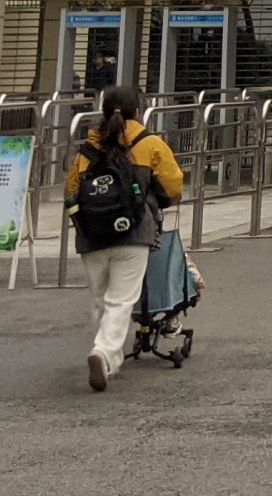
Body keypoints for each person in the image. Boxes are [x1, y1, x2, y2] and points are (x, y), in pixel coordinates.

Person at [64, 84, 186, 393]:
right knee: (120, 301)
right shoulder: (149, 144)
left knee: (102, 300)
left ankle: (111, 356)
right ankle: (103, 354)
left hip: (91, 237)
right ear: (138, 110)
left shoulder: (88, 148)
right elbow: (173, 186)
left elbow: (70, 192)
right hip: (132, 232)